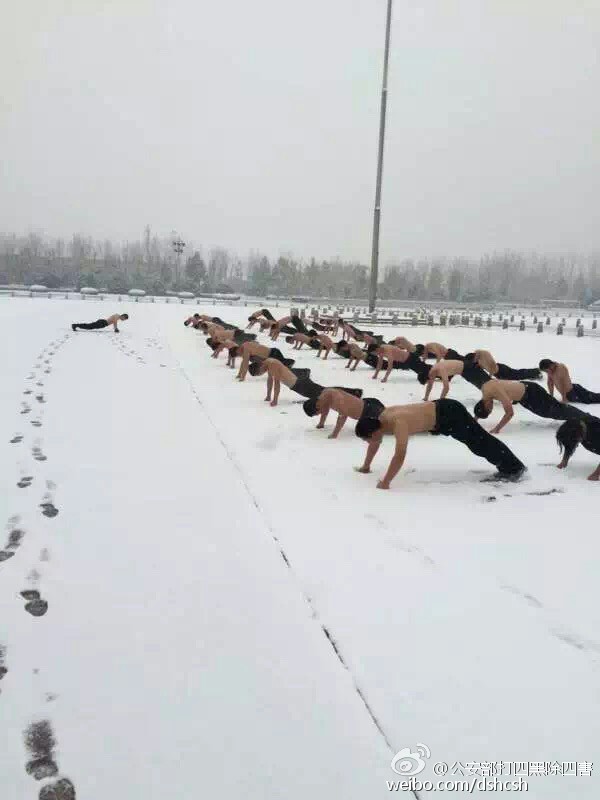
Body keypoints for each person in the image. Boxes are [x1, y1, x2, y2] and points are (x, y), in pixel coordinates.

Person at [353, 399, 525, 489]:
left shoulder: (398, 423)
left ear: (374, 432)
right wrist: (366, 466)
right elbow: (374, 444)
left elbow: (400, 455)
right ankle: (510, 466)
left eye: (366, 439)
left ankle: (514, 468)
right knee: (479, 442)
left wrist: (386, 482)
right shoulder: (380, 420)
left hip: (449, 415)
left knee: (480, 443)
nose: (367, 442)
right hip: (443, 410)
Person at [473, 379, 584, 434]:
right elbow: (480, 407)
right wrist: (476, 418)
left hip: (531, 393)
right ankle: (580, 416)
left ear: (486, 405)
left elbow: (510, 413)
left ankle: (584, 417)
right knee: (553, 410)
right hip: (525, 392)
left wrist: (497, 428)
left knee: (554, 410)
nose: (492, 408)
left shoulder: (495, 392)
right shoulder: (485, 390)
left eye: (490, 409)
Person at [247, 359, 362, 405]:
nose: (260, 375)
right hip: (299, 384)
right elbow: (270, 381)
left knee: (325, 392)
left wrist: (275, 400)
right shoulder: (268, 363)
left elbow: (276, 384)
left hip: (300, 385)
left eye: (258, 373)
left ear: (260, 367)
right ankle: (353, 392)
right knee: (324, 391)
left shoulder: (271, 365)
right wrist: (268, 396)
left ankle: (354, 393)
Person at [303, 389, 381, 438]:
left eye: (317, 413)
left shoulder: (337, 399)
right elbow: (325, 410)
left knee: (386, 429)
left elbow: (342, 416)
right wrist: (321, 424)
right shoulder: (324, 396)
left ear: (317, 406)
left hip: (370, 412)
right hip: (366, 405)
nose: (319, 414)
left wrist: (335, 434)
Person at [556, 415, 600, 480]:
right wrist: (564, 461)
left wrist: (596, 474)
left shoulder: (596, 429)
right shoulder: (575, 425)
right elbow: (569, 443)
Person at [464, 350, 540, 380]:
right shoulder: (480, 359)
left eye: (473, 361)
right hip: (499, 371)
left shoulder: (482, 356)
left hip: (502, 371)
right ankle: (534, 373)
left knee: (518, 375)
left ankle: (535, 372)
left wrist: (490, 376)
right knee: (518, 374)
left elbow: (492, 365)